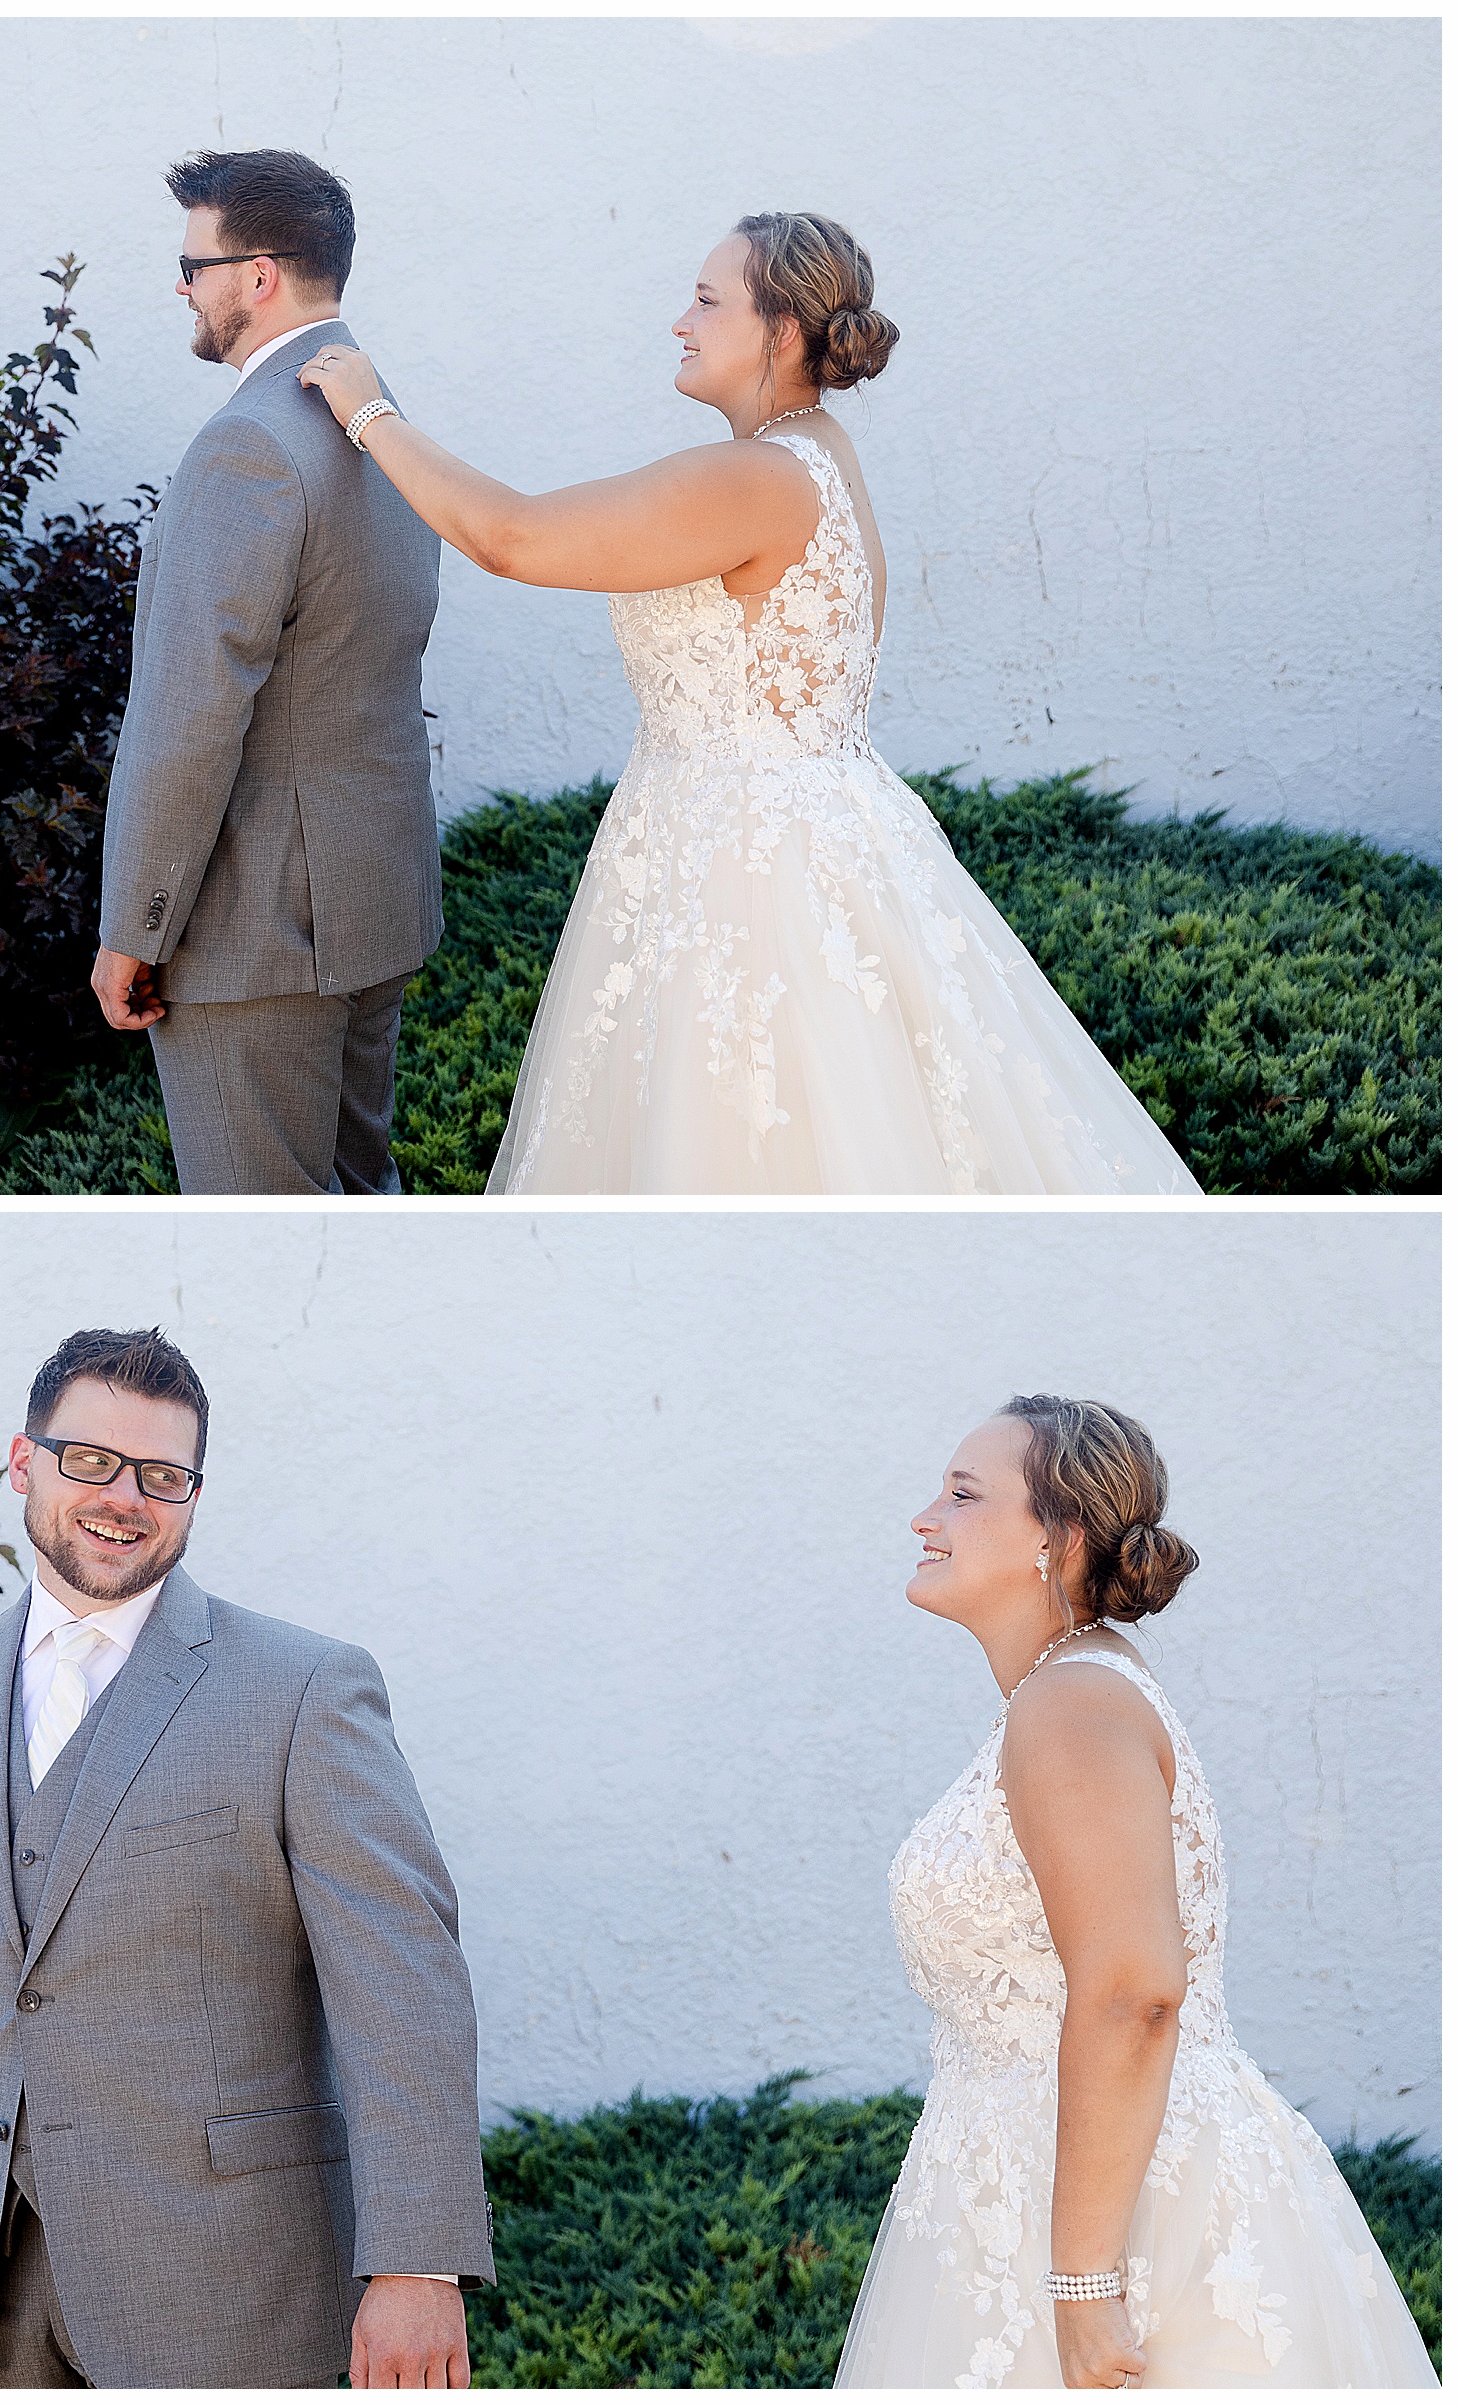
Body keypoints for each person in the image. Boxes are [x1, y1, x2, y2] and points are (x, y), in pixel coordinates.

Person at [299, 215, 1199, 1195]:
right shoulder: (820, 454)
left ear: (779, 332)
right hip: (797, 830)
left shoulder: (756, 477)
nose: (679, 320)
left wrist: (367, 412)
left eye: (707, 299)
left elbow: (512, 537)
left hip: (750, 874)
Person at [0, 1327, 492, 2388]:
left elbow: (403, 1986)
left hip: (231, 2297)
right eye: (88, 1460)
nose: (123, 1496)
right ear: (24, 1462)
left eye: (162, 1474)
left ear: (195, 1492)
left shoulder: (305, 1693)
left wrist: (420, 2264)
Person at [836, 1395, 1436, 2388]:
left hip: (1125, 2231)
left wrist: (1081, 2283)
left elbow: (1133, 1987)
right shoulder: (1071, 1691)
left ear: (1059, 1539)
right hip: (1037, 2190)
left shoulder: (1070, 1704)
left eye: (963, 1493)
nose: (924, 1517)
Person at [94, 152, 443, 1196]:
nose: (181, 286)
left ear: (258, 277)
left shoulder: (247, 445)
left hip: (259, 936)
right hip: (374, 907)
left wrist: (133, 929)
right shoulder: (381, 416)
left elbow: (187, 718)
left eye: (192, 263)